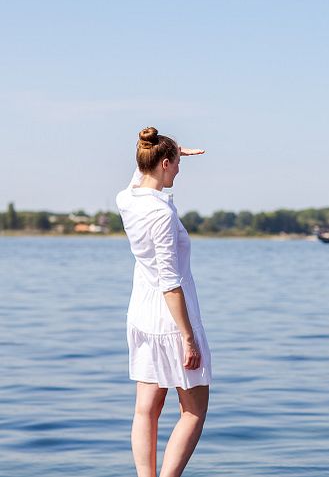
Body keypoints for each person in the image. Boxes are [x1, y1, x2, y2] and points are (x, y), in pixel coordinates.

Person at [116, 127, 211, 477]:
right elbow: (170, 283)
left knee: (146, 409)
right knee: (194, 410)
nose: (179, 171)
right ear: (166, 163)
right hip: (171, 320)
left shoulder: (126, 200)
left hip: (141, 316)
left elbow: (138, 178)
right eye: (175, 164)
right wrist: (188, 337)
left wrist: (163, 151)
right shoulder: (161, 215)